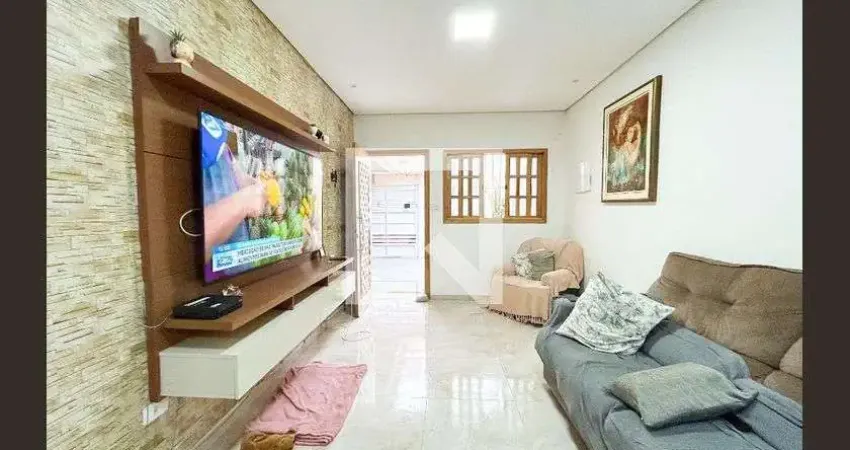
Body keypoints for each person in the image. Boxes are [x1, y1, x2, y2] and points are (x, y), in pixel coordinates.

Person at [200, 112, 267, 264]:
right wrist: (244, 202)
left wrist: (241, 177)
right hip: (218, 267)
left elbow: (222, 149)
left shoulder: (210, 117)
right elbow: (193, 242)